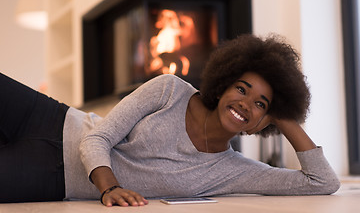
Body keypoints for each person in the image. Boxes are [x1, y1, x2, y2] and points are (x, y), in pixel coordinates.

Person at [0, 34, 340, 206]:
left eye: (260, 104)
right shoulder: (169, 90)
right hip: (52, 119)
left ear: (262, 122)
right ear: (223, 85)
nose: (245, 104)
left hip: (52, 177)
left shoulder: (234, 171)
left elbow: (321, 183)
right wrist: (111, 188)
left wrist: (285, 117)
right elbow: (96, 139)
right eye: (241, 88)